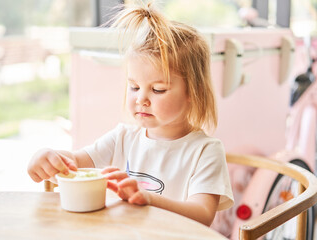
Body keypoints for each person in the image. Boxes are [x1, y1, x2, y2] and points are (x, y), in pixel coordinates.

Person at [27, 1, 234, 227]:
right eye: (134, 87)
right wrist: (48, 158)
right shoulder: (123, 137)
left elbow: (202, 213)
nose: (141, 99)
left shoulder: (205, 151)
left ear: (193, 92)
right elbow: (76, 163)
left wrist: (149, 199)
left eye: (158, 90)